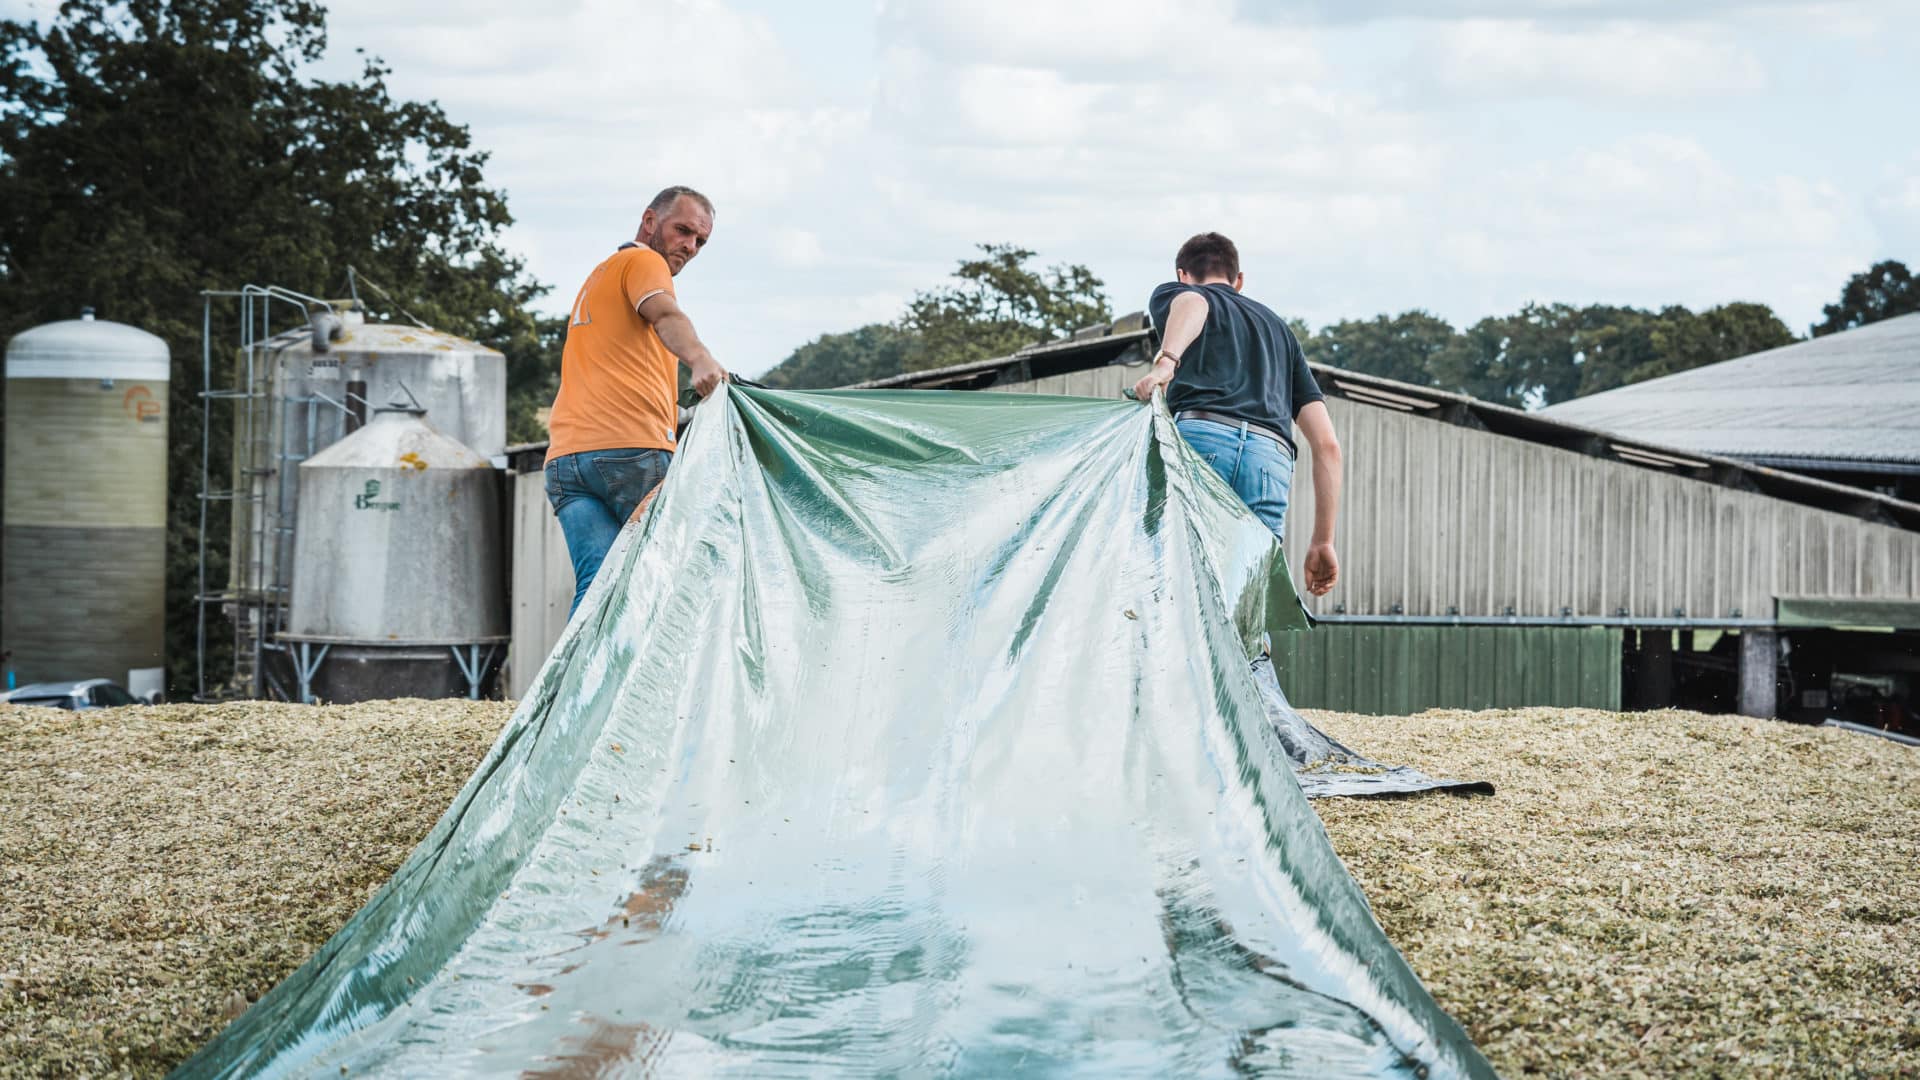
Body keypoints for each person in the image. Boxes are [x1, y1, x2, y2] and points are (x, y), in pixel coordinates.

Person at [545, 185, 730, 614]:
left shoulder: (600, 277)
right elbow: (666, 314)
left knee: (598, 589)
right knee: (672, 578)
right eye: (682, 230)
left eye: (700, 240)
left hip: (566, 462)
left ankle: (574, 684)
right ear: (650, 221)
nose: (690, 246)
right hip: (629, 453)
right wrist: (700, 359)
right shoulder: (645, 261)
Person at [1133, 232, 1342, 597]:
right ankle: (1254, 652)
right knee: (1247, 594)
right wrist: (1323, 540)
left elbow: (1194, 304)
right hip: (1270, 458)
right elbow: (1327, 446)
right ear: (1239, 280)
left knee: (1180, 585)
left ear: (1183, 275)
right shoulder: (1281, 332)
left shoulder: (1183, 295)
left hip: (1204, 435)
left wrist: (1166, 363)